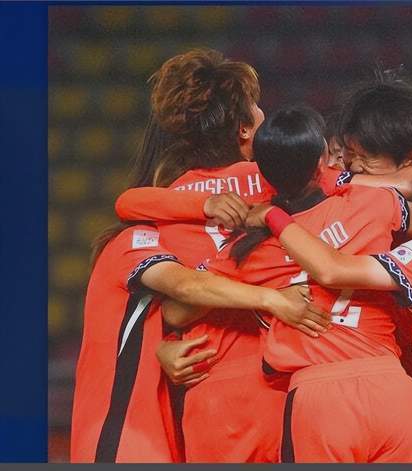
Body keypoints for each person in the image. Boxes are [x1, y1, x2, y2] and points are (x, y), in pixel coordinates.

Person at [192, 107, 412, 462]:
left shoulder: (245, 249)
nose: (351, 165)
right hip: (397, 393)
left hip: (322, 398)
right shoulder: (379, 205)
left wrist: (268, 291)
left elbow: (185, 302)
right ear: (322, 161)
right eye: (346, 155)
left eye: (362, 157)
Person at [71, 49, 329, 463]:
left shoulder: (159, 211)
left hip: (207, 399)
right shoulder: (282, 181)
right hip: (294, 382)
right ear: (243, 129)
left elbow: (171, 306)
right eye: (256, 106)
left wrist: (164, 347)